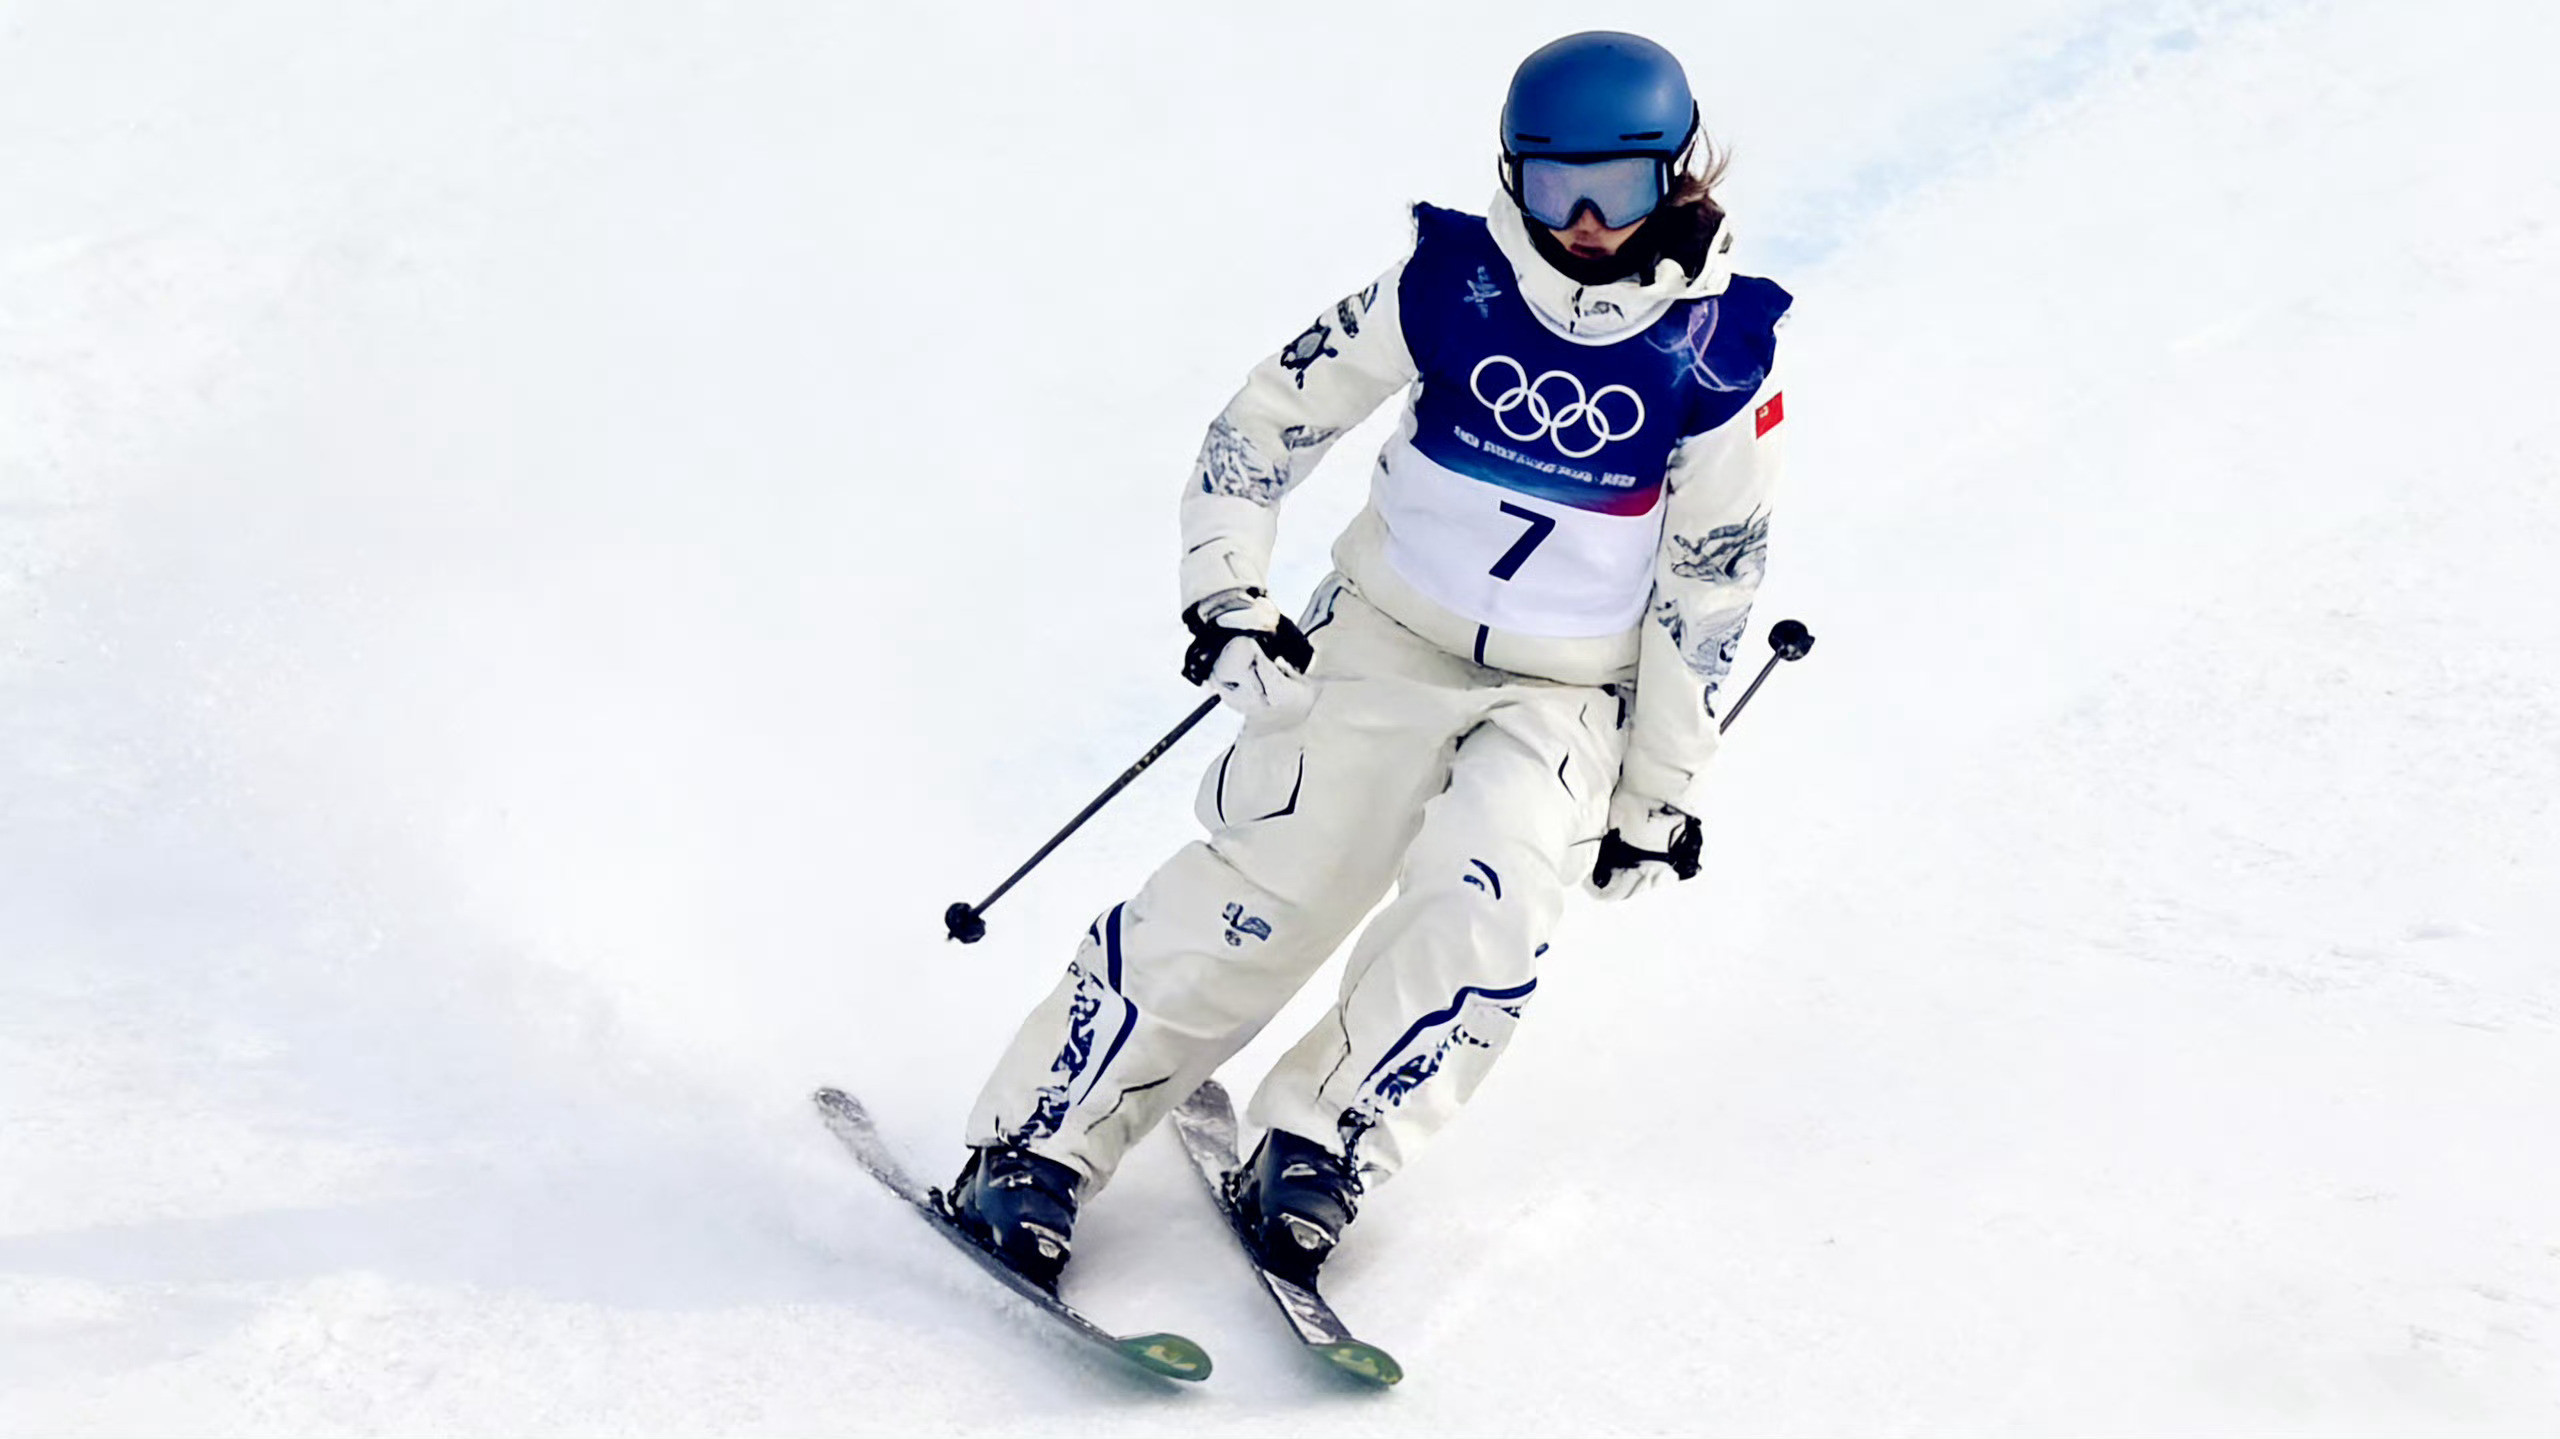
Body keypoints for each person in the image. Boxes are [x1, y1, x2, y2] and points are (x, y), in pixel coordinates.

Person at [949, 30, 1790, 1291]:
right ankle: (1034, 1145)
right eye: (1551, 183)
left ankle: (1319, 1145)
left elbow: (1710, 583)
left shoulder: (1716, 356)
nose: (1581, 222)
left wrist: (1656, 789)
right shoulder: (1448, 284)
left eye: (1613, 188)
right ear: (1508, 172)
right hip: (1380, 644)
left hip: (1562, 695)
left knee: (1486, 910)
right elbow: (1267, 420)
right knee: (1267, 892)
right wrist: (1226, 593)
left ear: (1673, 175)